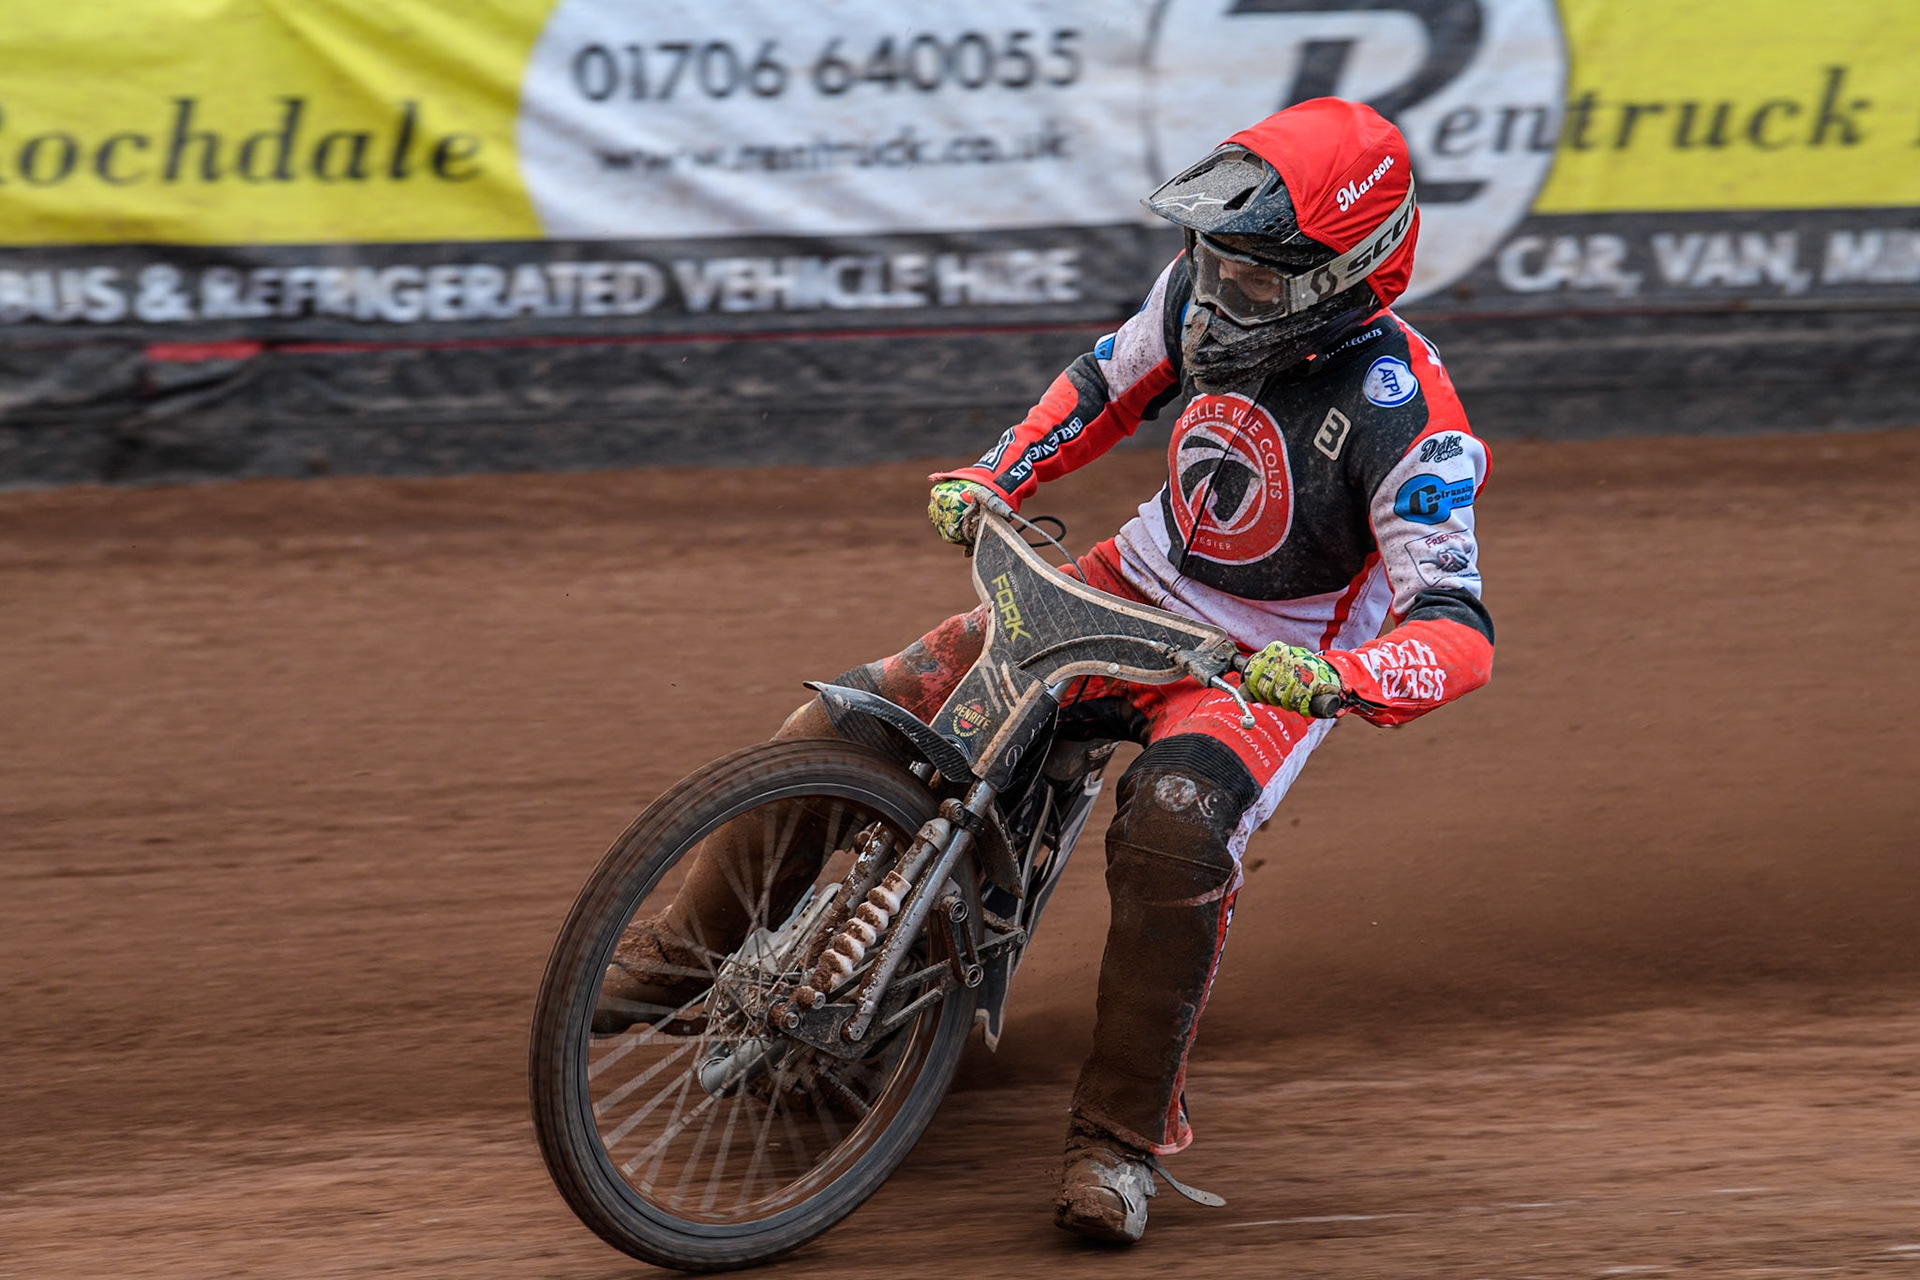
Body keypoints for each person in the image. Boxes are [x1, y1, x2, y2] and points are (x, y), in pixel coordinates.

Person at [604, 97, 1494, 1244]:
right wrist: (994, 475)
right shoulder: (1201, 288)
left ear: (1348, 277)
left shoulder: (1407, 414)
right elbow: (1103, 382)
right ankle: (688, 952)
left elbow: (1458, 626)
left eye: (1257, 281)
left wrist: (1346, 681)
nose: (1220, 293)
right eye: (1211, 259)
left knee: (1174, 824)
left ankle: (1118, 1138)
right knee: (867, 712)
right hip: (1124, 583)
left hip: (1259, 662)